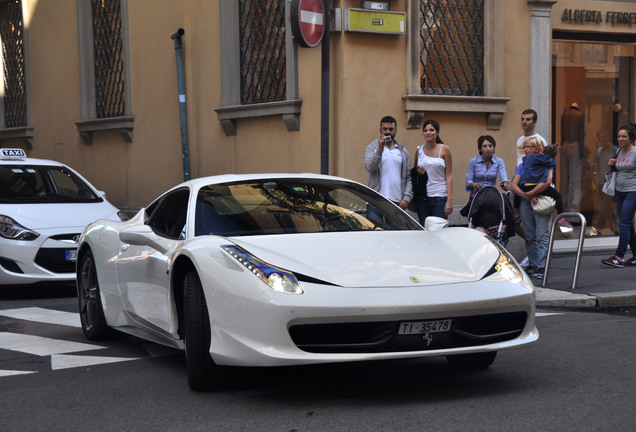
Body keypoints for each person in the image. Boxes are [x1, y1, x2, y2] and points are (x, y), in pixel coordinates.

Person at [511, 139, 554, 279]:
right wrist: (525, 195)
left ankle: (542, 266)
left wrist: (532, 193)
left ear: (537, 149)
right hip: (526, 201)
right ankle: (534, 264)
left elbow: (547, 181)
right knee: (529, 235)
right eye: (524, 147)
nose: (525, 150)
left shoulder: (545, 162)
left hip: (541, 200)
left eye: (528, 147)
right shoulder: (523, 164)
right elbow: (514, 185)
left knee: (542, 234)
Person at [364, 116, 413, 219]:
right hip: (376, 201)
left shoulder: (403, 152)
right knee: (374, 233)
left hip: (396, 203)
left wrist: (406, 198)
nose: (388, 132)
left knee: (394, 234)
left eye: (391, 129)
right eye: (385, 129)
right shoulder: (372, 148)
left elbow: (408, 177)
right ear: (380, 130)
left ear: (395, 131)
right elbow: (370, 167)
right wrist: (380, 150)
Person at [601, 125, 636, 268]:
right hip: (620, 191)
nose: (620, 139)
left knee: (623, 224)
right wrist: (612, 164)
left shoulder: (635, 152)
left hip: (633, 191)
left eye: (624, 136)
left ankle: (619, 256)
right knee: (628, 225)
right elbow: (618, 169)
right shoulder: (619, 151)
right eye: (619, 136)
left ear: (631, 138)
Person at [413, 119, 453, 223]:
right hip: (423, 197)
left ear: (437, 132)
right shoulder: (419, 150)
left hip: (440, 197)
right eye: (425, 130)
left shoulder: (444, 149)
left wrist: (449, 200)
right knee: (424, 230)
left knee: (438, 230)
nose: (428, 133)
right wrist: (418, 172)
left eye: (431, 130)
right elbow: (414, 172)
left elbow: (449, 176)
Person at [560, 102, 586, 213]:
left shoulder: (564, 115)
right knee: (575, 180)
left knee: (564, 179)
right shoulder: (580, 115)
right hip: (575, 145)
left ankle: (562, 208)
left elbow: (561, 132)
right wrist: (582, 150)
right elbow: (581, 134)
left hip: (564, 145)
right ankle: (573, 211)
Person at [591, 130, 618, 233]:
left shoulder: (615, 150)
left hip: (611, 182)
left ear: (608, 137)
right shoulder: (599, 150)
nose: (603, 139)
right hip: (600, 182)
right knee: (607, 206)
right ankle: (614, 227)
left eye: (604, 137)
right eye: (601, 138)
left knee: (606, 204)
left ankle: (598, 226)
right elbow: (593, 164)